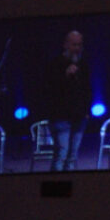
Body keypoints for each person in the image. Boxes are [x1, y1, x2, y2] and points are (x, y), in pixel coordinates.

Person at [45, 30, 91, 171]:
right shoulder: (55, 64)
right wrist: (65, 75)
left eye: (79, 45)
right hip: (60, 117)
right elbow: (48, 89)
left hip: (79, 116)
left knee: (72, 156)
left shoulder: (83, 64)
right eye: (74, 45)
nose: (77, 48)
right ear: (65, 45)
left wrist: (87, 110)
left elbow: (87, 88)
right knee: (61, 155)